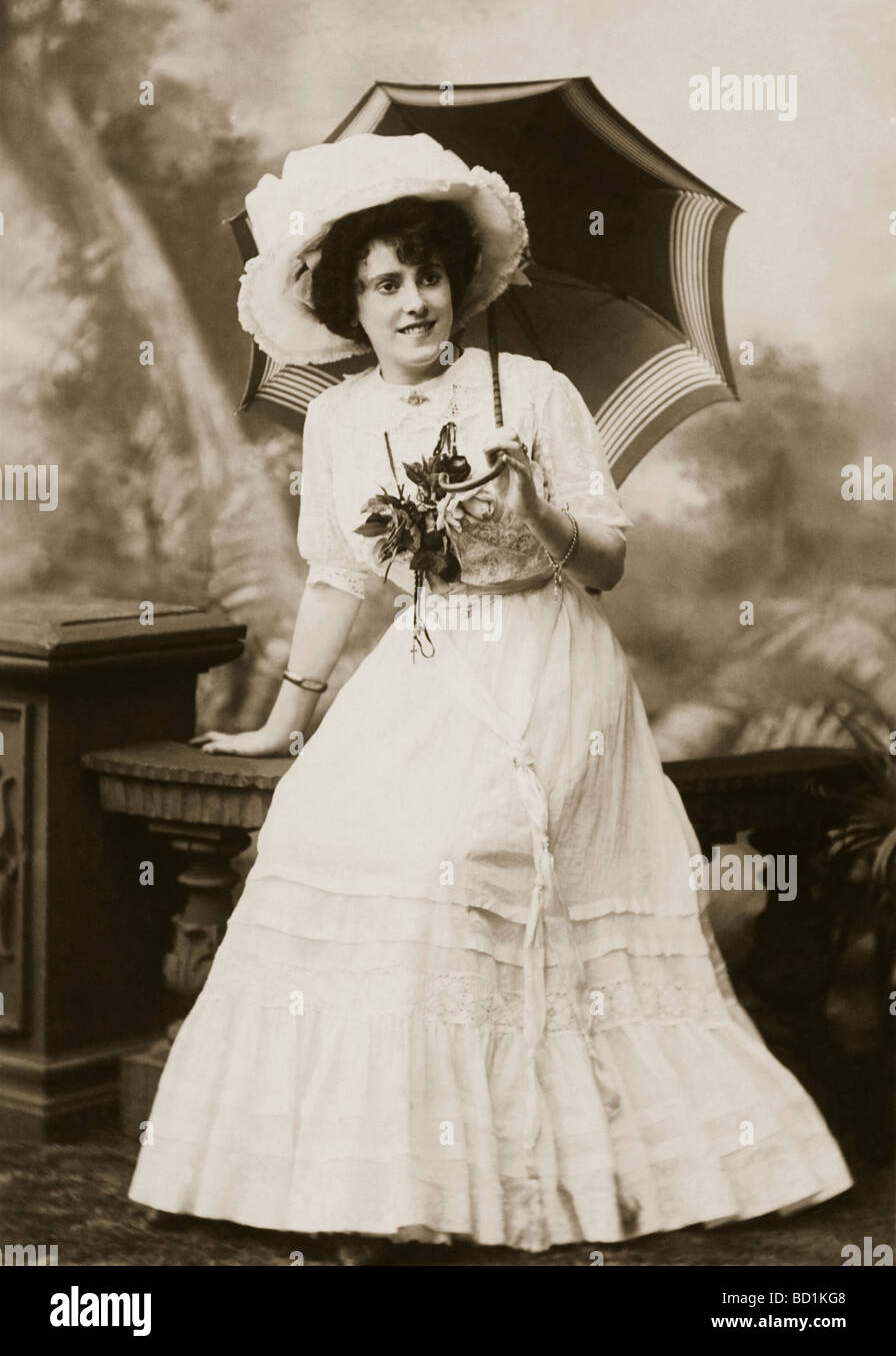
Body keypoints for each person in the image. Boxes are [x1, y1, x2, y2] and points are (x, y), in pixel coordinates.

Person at [128, 132, 852, 1261]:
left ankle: (513, 1172)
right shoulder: (336, 419)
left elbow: (605, 562)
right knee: (327, 832)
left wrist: (534, 503)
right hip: (426, 664)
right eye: (381, 283)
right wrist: (283, 717)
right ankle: (352, 1176)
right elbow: (337, 578)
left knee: (453, 852)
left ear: (456, 281)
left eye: (424, 274)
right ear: (346, 305)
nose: (410, 300)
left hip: (545, 665)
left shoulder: (538, 391)